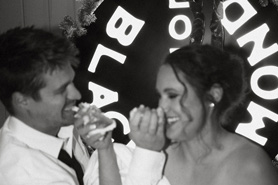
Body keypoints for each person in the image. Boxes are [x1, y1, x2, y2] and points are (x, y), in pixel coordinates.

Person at [78, 44, 278, 185]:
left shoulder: (250, 166)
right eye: (160, 96)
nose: (161, 107)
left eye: (172, 96)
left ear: (213, 96)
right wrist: (105, 148)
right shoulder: (156, 153)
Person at [0, 26, 90, 185]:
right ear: (22, 101)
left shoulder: (59, 124)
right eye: (61, 90)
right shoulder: (28, 176)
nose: (77, 95)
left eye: (72, 82)